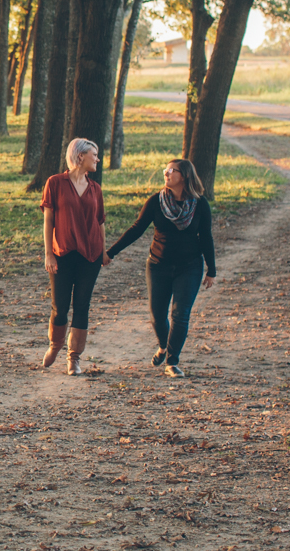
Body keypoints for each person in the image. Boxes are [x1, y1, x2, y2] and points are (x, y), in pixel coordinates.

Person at [106, 158, 216, 378]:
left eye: (171, 170)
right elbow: (137, 229)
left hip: (190, 267)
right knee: (157, 315)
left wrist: (211, 269)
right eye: (165, 170)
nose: (166, 173)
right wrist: (111, 252)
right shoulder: (156, 201)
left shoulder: (200, 204)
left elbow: (206, 237)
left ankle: (172, 362)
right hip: (158, 265)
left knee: (180, 314)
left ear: (184, 176)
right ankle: (164, 347)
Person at [39, 138, 111, 375]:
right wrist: (49, 254)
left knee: (82, 305)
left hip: (90, 256)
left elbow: (99, 221)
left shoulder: (95, 189)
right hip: (63, 254)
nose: (97, 159)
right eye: (94, 154)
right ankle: (55, 344)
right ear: (80, 156)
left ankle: (74, 358)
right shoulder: (55, 183)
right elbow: (48, 220)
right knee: (60, 307)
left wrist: (104, 251)